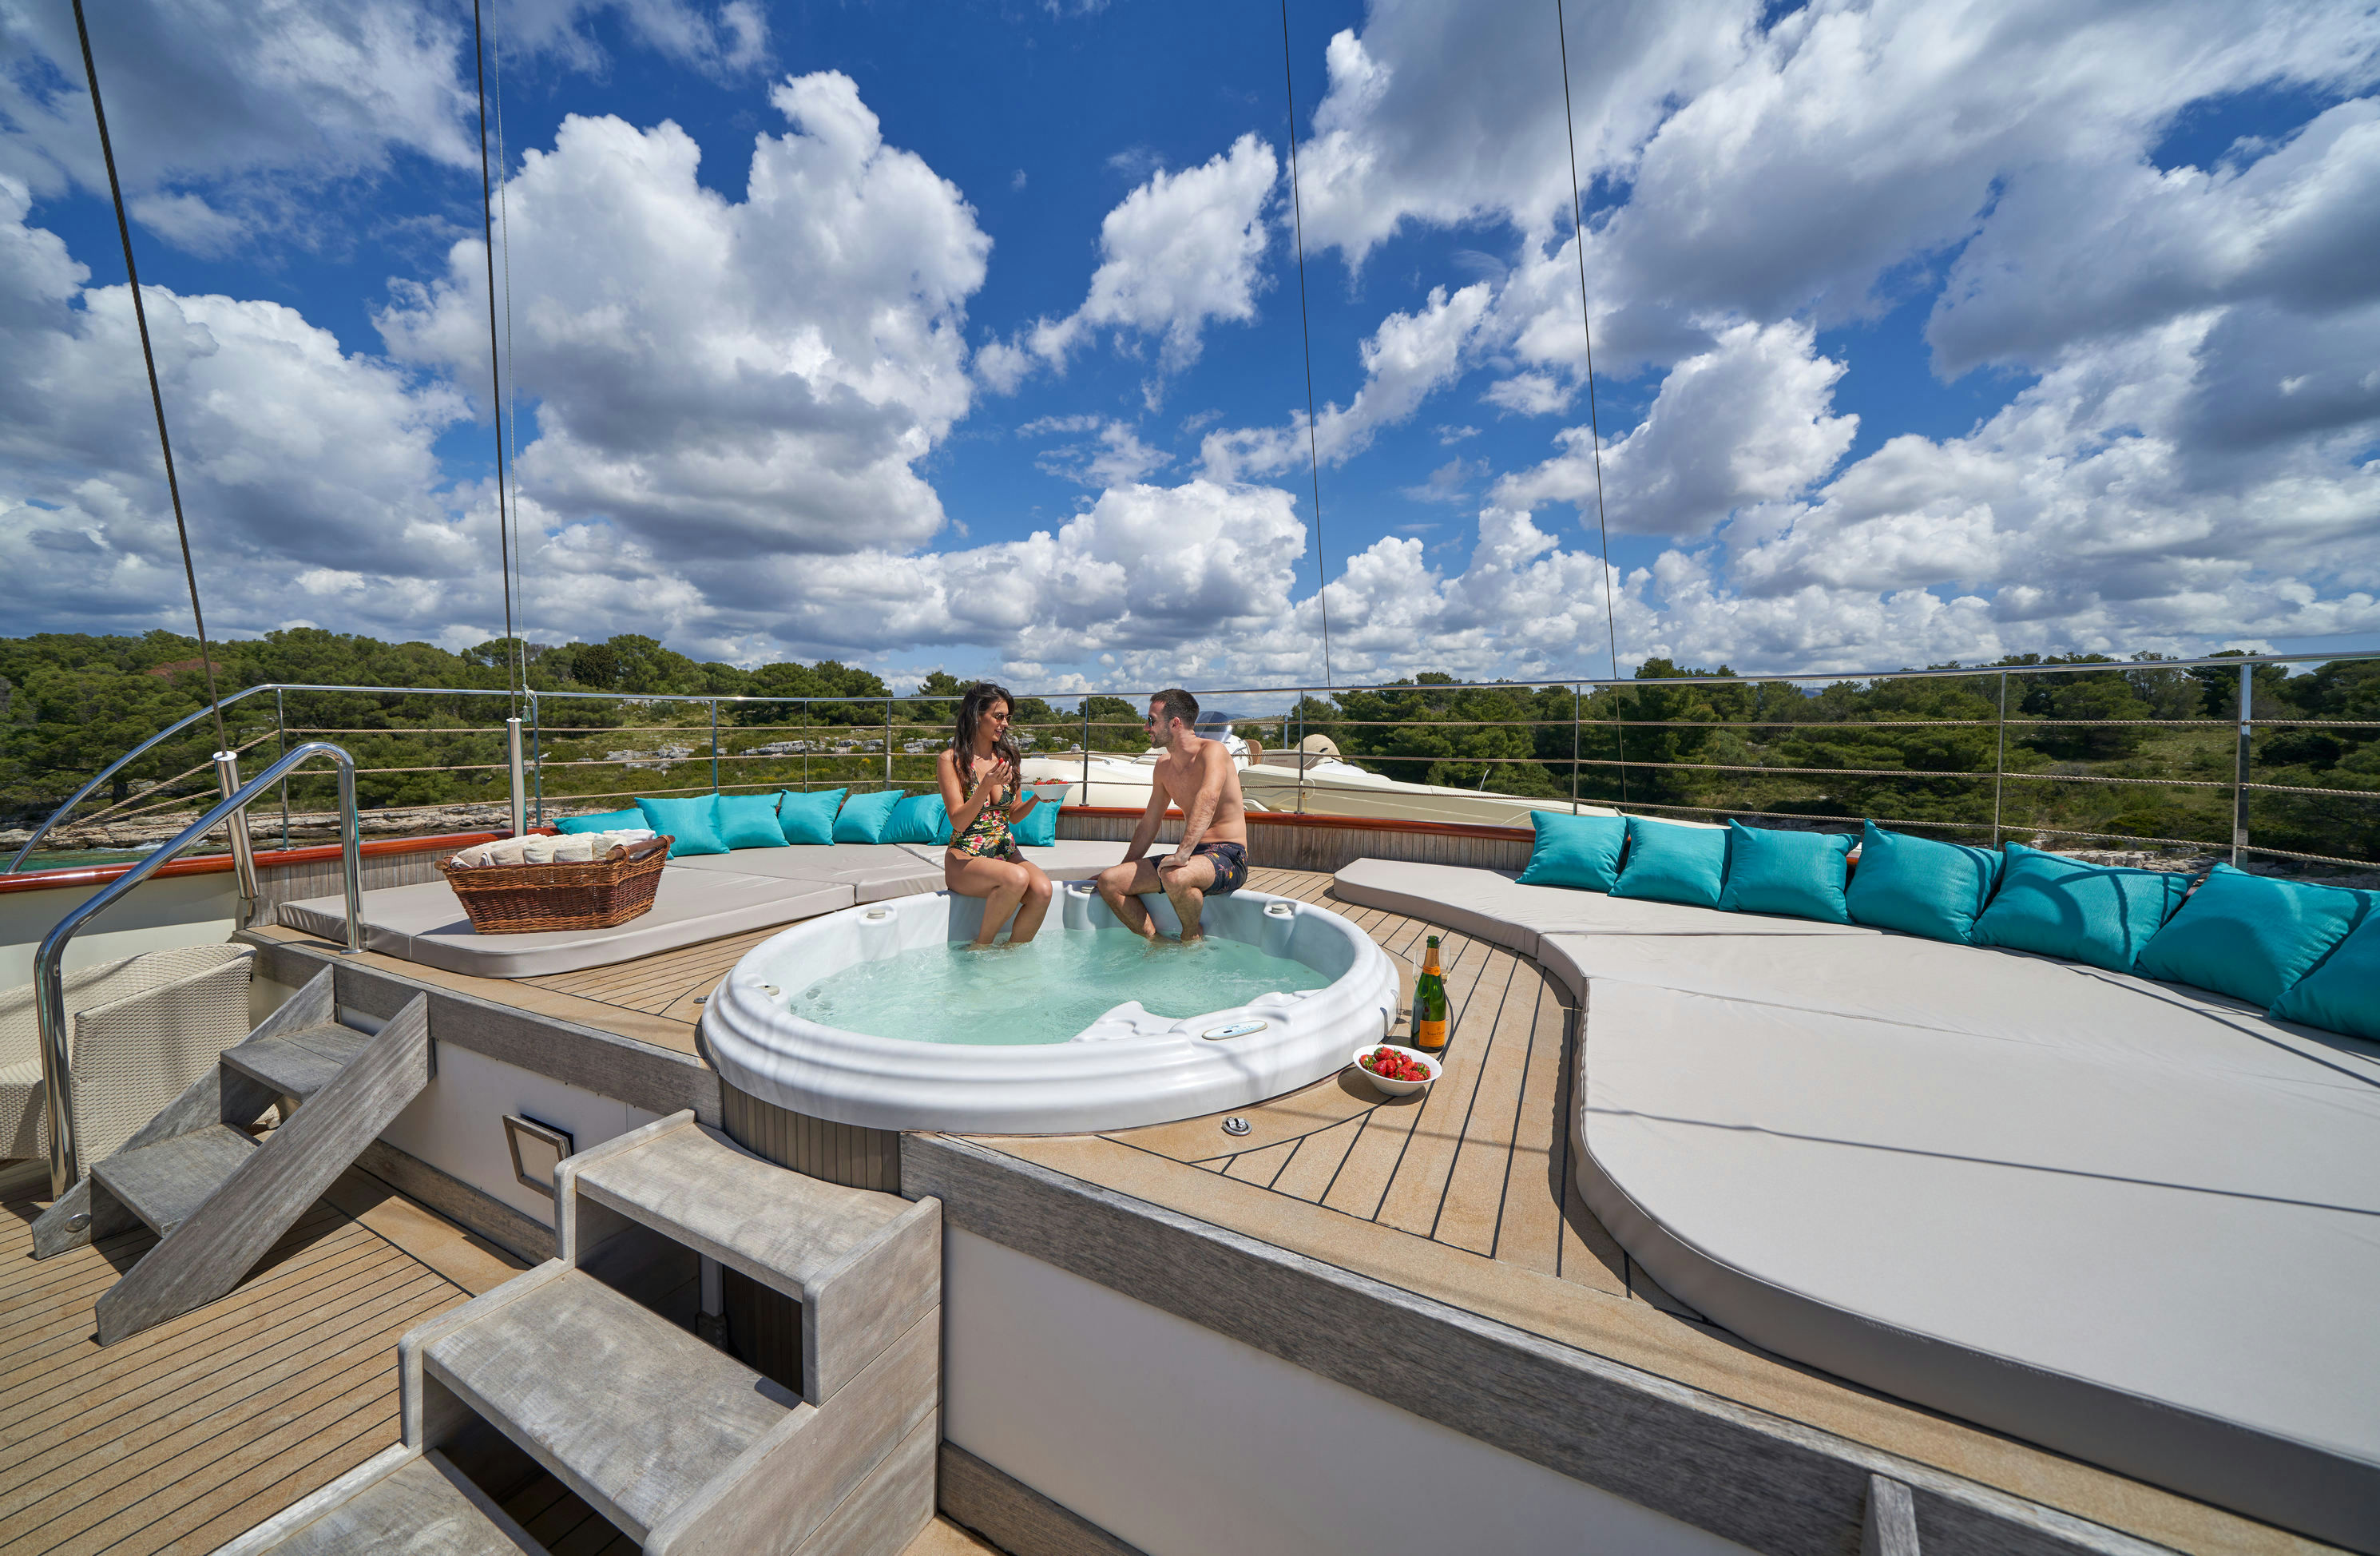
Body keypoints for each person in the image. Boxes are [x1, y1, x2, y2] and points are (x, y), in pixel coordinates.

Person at [1094, 687, 1250, 942]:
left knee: (1175, 875)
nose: (1146, 728)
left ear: (1175, 723)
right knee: (1109, 881)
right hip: (1194, 856)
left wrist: (1182, 854)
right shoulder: (1163, 766)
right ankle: (1157, 943)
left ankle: (1191, 938)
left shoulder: (1213, 752)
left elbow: (1208, 799)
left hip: (1229, 855)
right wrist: (1125, 867)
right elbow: (1149, 823)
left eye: (1151, 720)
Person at [938, 682, 1053, 946]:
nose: (1005, 724)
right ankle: (980, 948)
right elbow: (958, 821)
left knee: (1043, 890)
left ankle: (1011, 956)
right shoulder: (951, 761)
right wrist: (986, 785)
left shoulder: (1009, 758)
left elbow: (1013, 815)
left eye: (1007, 717)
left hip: (1006, 852)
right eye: (999, 716)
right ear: (977, 715)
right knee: (1016, 877)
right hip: (965, 857)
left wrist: (1038, 797)